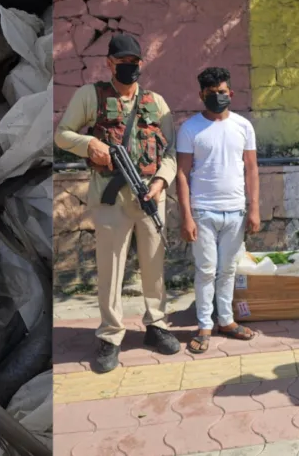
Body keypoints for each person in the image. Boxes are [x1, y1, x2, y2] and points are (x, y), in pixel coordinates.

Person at [54, 33, 181, 373]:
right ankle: (110, 335)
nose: (129, 68)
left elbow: (170, 151)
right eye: (122, 62)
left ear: (141, 64)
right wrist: (90, 145)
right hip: (110, 197)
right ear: (109, 63)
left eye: (134, 63)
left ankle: (157, 324)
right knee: (111, 267)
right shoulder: (90, 96)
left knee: (154, 263)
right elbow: (62, 134)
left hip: (149, 195)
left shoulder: (157, 102)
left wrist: (160, 182)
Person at [174, 67, 260, 353]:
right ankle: (204, 326)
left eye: (222, 92)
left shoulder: (243, 127)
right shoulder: (190, 129)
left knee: (228, 270)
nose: (218, 97)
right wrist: (186, 216)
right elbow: (183, 174)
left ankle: (226, 321)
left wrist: (254, 209)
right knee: (206, 271)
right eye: (211, 93)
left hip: (235, 212)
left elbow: (251, 169)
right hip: (203, 212)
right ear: (201, 95)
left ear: (231, 93)